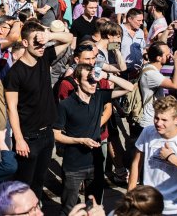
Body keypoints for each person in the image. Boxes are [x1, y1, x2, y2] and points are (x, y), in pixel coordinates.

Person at [54, 64, 135, 215]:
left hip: (96, 163)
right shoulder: (66, 105)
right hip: (74, 165)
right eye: (89, 80)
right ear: (77, 81)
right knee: (68, 209)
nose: (93, 84)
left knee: (94, 207)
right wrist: (79, 141)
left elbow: (130, 87)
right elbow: (56, 134)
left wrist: (107, 76)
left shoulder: (99, 96)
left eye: (94, 80)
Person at [4, 21, 73, 198]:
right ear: (25, 43)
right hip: (29, 137)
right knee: (22, 185)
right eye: (37, 42)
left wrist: (49, 36)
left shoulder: (44, 56)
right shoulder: (15, 73)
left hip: (47, 134)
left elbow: (68, 38)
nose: (42, 46)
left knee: (38, 182)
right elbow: (11, 108)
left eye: (43, 43)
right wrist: (19, 139)